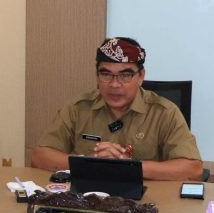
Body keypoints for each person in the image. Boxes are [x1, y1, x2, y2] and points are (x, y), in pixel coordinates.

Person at [32, 37, 203, 181]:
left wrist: (130, 167)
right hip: (87, 197)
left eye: (125, 75)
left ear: (141, 76)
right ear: (97, 75)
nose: (114, 84)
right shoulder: (78, 108)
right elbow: (39, 156)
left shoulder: (164, 113)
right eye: (106, 74)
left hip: (145, 199)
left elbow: (193, 169)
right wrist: (90, 162)